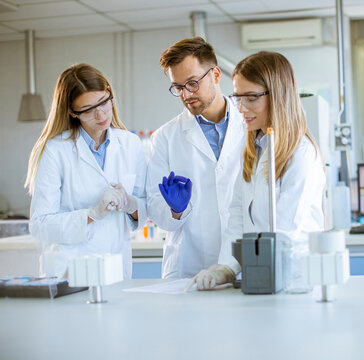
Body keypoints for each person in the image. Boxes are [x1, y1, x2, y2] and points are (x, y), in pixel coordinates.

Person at [191, 51, 326, 290]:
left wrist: (249, 267)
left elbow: (285, 230)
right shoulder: (256, 149)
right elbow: (238, 215)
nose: (241, 108)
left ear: (278, 96)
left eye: (251, 98)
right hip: (262, 275)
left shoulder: (301, 153)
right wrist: (227, 268)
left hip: (293, 281)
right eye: (238, 97)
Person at [25, 64, 147, 279]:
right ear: (73, 111)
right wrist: (91, 214)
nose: (101, 114)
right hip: (69, 273)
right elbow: (40, 225)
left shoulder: (130, 144)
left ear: (109, 92)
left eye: (103, 102)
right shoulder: (55, 151)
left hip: (116, 268)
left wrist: (131, 204)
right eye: (89, 110)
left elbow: (145, 209)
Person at [147, 37, 245, 281]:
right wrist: (175, 211)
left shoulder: (251, 125)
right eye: (178, 87)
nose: (185, 95)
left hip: (243, 260)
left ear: (215, 74)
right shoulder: (164, 138)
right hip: (189, 266)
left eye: (192, 83)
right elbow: (156, 209)